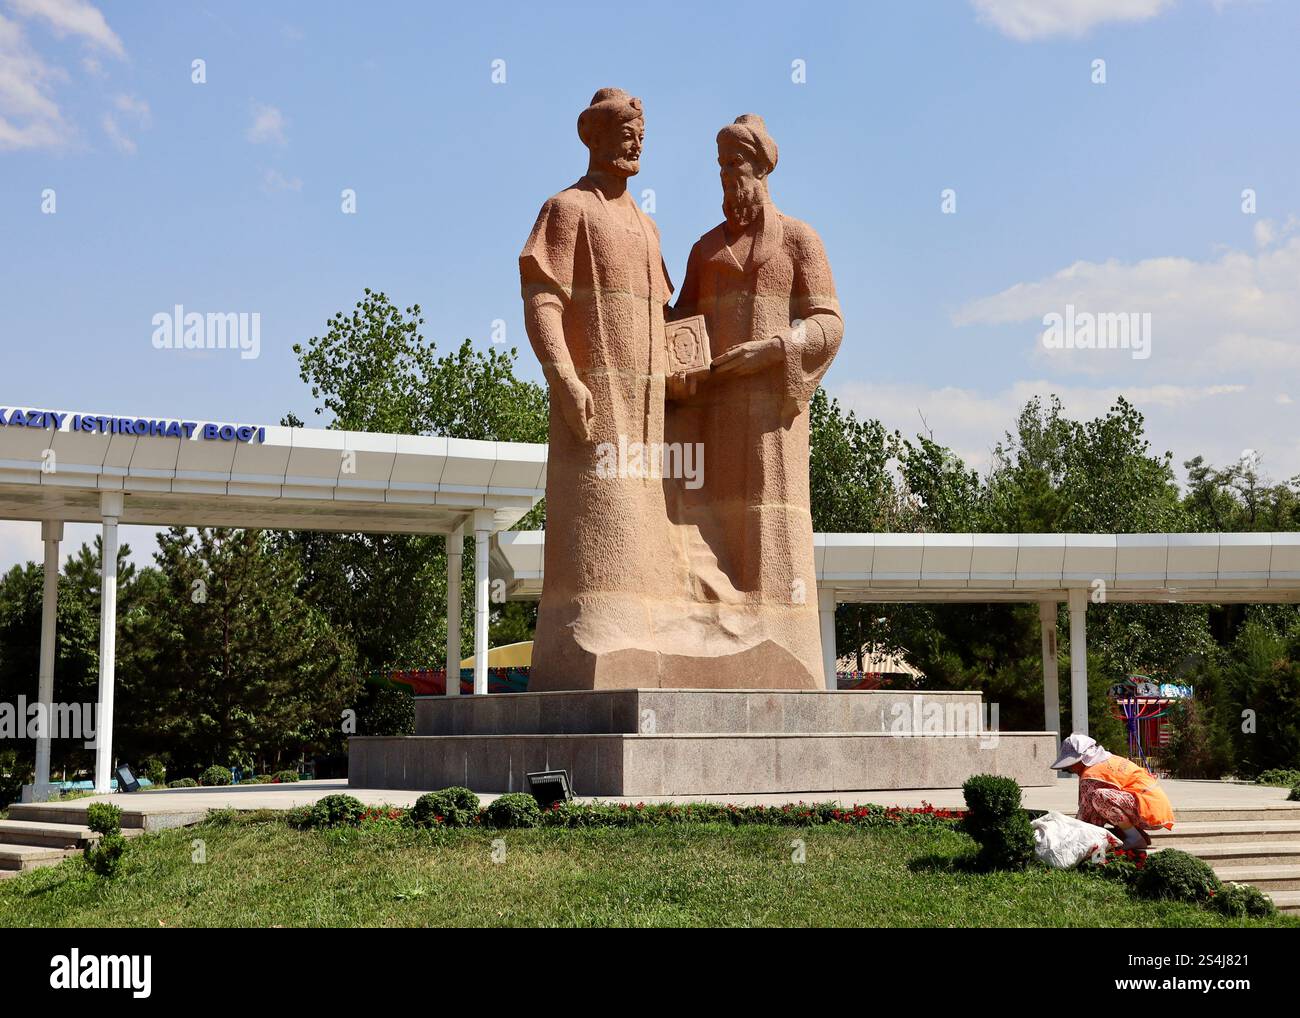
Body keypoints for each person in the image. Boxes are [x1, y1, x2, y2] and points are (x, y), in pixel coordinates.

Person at [1051, 733, 1175, 848]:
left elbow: (1085, 813)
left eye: (1070, 765)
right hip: (1155, 810)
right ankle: (1136, 835)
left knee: (1099, 797)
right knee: (1097, 805)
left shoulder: (1091, 775)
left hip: (1146, 811)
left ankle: (1134, 837)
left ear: (1082, 759)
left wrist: (1069, 837)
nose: (1070, 769)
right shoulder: (1107, 760)